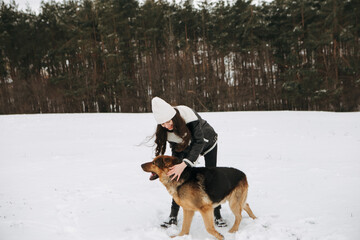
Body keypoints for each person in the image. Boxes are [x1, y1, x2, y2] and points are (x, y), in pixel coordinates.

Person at [151, 96, 227, 228]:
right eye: (162, 124)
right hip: (187, 145)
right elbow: (176, 153)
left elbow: (199, 141)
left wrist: (186, 163)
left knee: (212, 177)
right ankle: (173, 215)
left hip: (207, 142)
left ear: (173, 116)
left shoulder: (187, 114)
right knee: (177, 176)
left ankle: (217, 214)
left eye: (168, 122)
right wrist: (175, 167)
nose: (166, 126)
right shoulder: (167, 131)